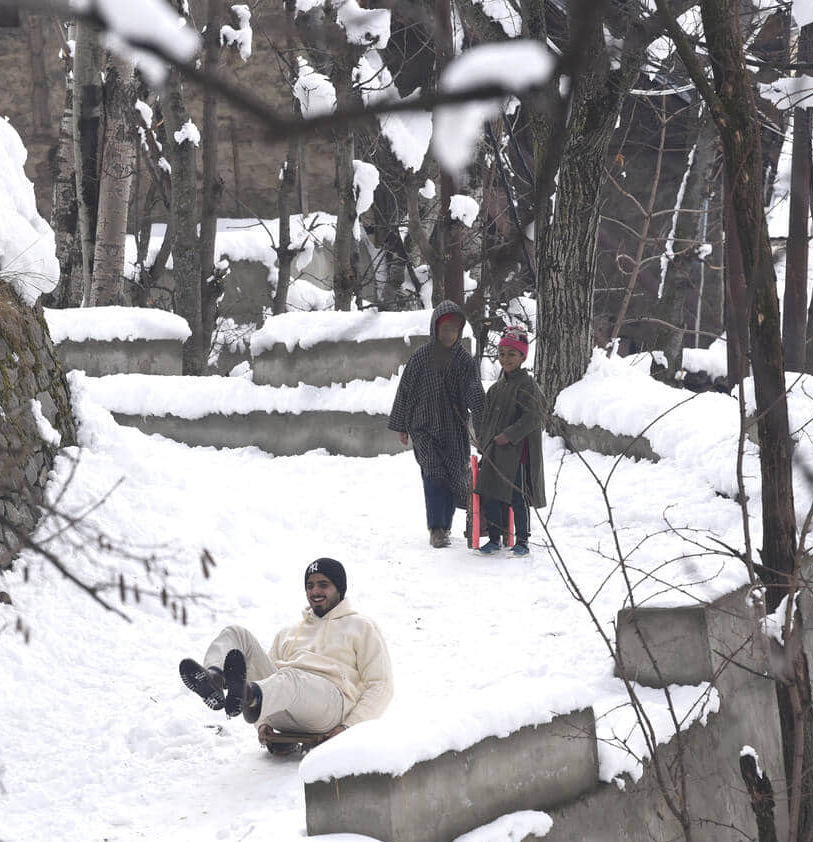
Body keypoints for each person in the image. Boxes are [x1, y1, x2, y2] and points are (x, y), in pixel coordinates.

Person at [177, 558, 393, 739]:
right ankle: (215, 679)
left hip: (329, 708)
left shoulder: (361, 627)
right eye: (310, 586)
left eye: (323, 584)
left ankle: (246, 695)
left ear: (339, 588)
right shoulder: (288, 632)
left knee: (289, 677)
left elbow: (381, 685)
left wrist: (350, 727)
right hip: (284, 704)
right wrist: (262, 724)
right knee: (236, 633)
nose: (315, 591)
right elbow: (270, 680)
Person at [388, 300, 485, 549]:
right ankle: (436, 528)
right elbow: (405, 390)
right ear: (435, 329)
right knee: (433, 475)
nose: (449, 334)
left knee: (455, 477)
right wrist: (401, 425)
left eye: (454, 329)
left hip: (454, 430)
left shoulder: (464, 361)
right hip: (423, 428)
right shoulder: (421, 357)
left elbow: (475, 392)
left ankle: (448, 524)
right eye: (444, 329)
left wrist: (484, 428)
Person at [474, 326, 546, 557]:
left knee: (517, 495)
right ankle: (495, 537)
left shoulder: (527, 385)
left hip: (518, 454)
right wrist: (484, 441)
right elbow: (486, 419)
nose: (506, 359)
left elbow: (534, 417)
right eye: (502, 353)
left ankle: (523, 540)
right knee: (490, 492)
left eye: (512, 354)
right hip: (495, 452)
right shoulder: (495, 389)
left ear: (523, 356)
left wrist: (510, 435)